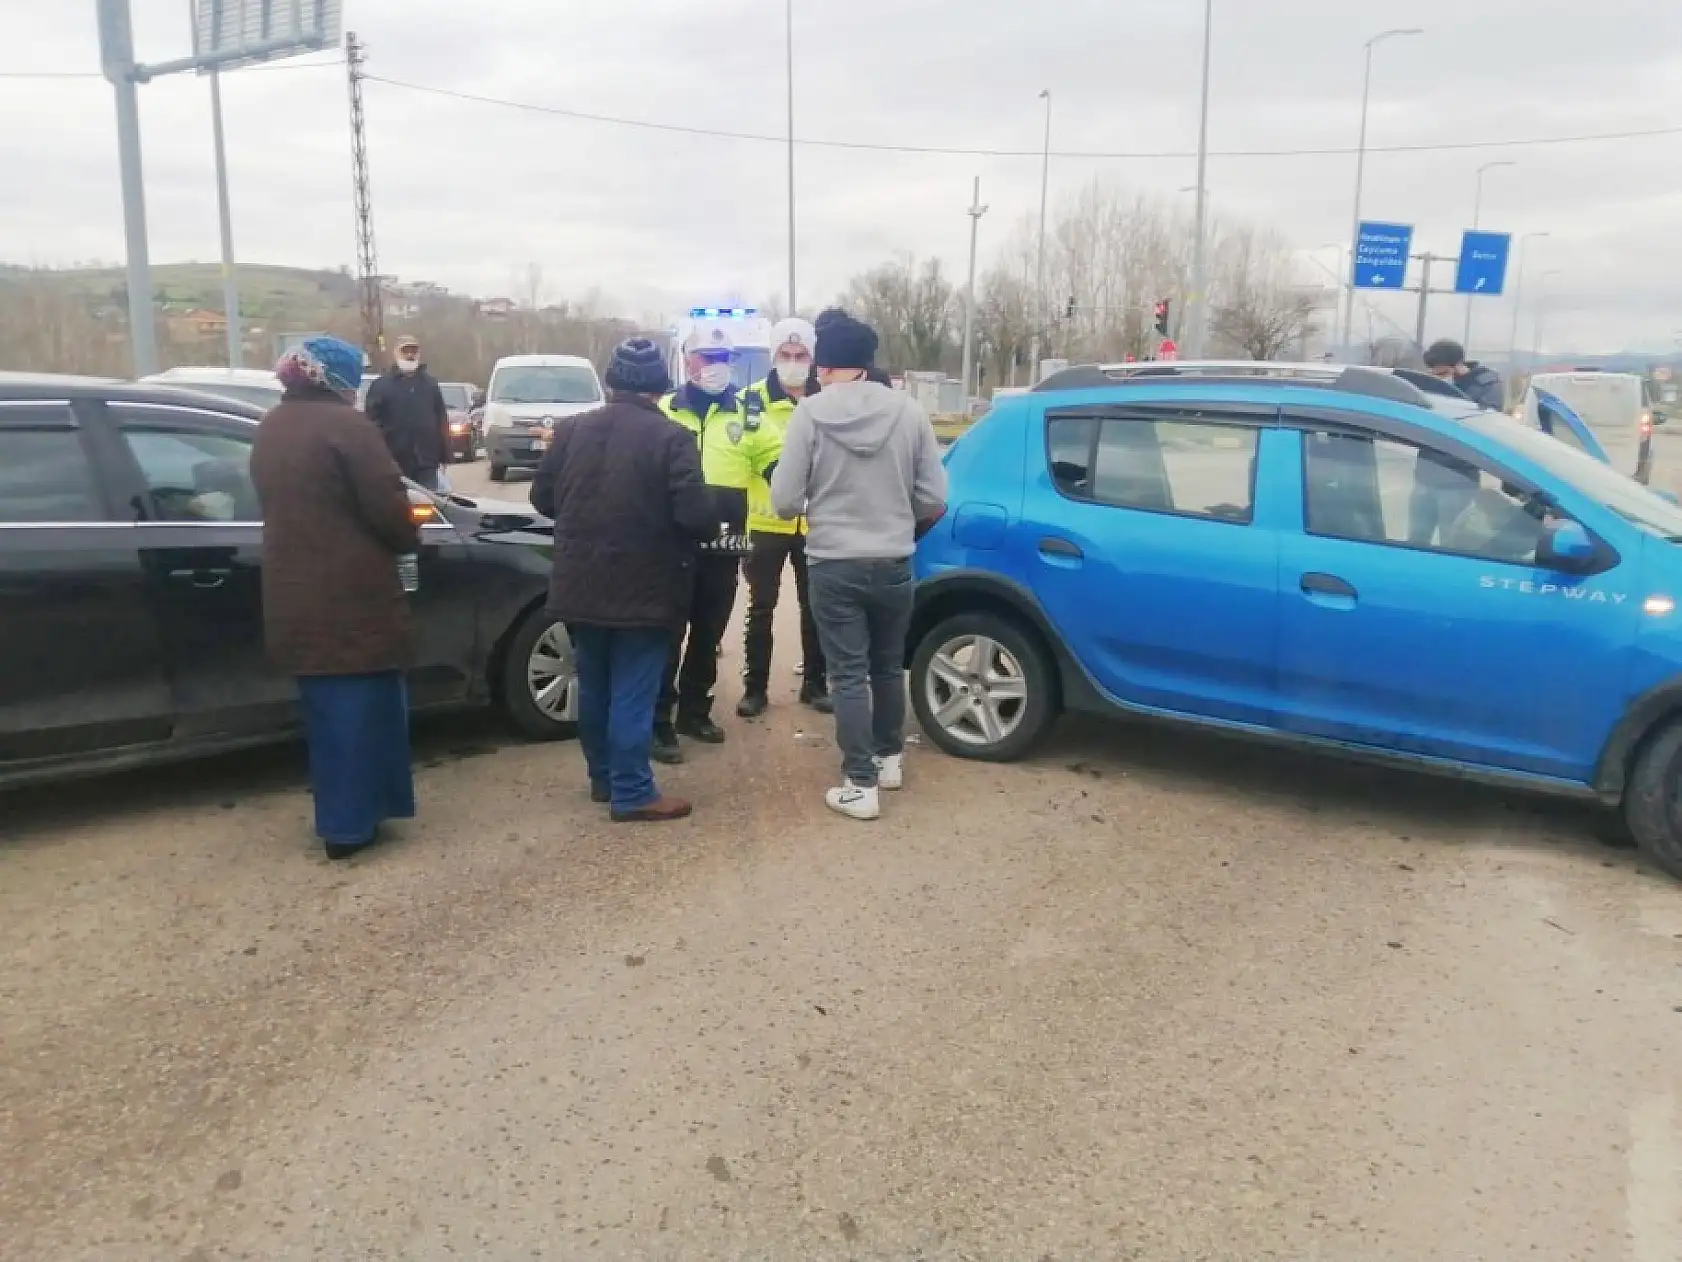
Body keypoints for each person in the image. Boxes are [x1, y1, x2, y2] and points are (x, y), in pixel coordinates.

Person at [530, 338, 718, 822]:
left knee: (594, 685)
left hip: (579, 581)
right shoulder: (672, 438)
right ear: (659, 388)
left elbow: (542, 498)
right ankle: (632, 791)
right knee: (634, 689)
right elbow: (694, 515)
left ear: (610, 383)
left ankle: (604, 778)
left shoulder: (571, 431)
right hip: (646, 586)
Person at [770, 310, 947, 821]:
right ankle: (889, 759)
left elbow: (784, 500)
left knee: (847, 675)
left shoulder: (809, 413)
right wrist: (895, 516)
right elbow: (935, 495)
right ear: (868, 362)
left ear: (823, 364)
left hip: (833, 561)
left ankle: (858, 782)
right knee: (888, 666)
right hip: (893, 558)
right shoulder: (909, 411)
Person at [250, 336, 422, 860]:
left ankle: (358, 814)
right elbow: (388, 504)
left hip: (295, 591)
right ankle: (350, 826)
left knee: (330, 716)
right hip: (352, 597)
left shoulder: (271, 425)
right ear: (338, 379)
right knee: (361, 714)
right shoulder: (348, 427)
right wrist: (410, 533)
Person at [652, 326, 754, 765]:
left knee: (709, 630)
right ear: (687, 360)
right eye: (707, 356)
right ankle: (658, 721)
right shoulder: (664, 409)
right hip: (673, 542)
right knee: (667, 631)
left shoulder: (747, 410)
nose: (715, 365)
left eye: (723, 356)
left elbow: (775, 455)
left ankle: (694, 710)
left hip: (726, 539)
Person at [732, 318, 831, 719]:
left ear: (812, 358)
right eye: (786, 355)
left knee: (817, 606)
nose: (793, 362)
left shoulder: (827, 399)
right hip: (765, 522)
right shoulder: (749, 401)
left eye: (801, 355)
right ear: (774, 357)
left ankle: (815, 683)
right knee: (761, 607)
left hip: (816, 523)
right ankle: (755, 688)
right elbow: (746, 448)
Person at [364, 334, 451, 490]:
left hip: (427, 463)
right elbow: (371, 424)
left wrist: (445, 455)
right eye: (405, 351)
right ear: (396, 353)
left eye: (413, 351)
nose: (410, 355)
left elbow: (441, 419)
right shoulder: (381, 386)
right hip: (394, 463)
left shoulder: (430, 385)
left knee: (429, 508)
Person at [1423, 339, 1504, 411]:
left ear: (1458, 365)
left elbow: (1487, 416)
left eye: (1442, 374)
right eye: (1434, 375)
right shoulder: (1432, 384)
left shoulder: (1488, 385)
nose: (1439, 378)